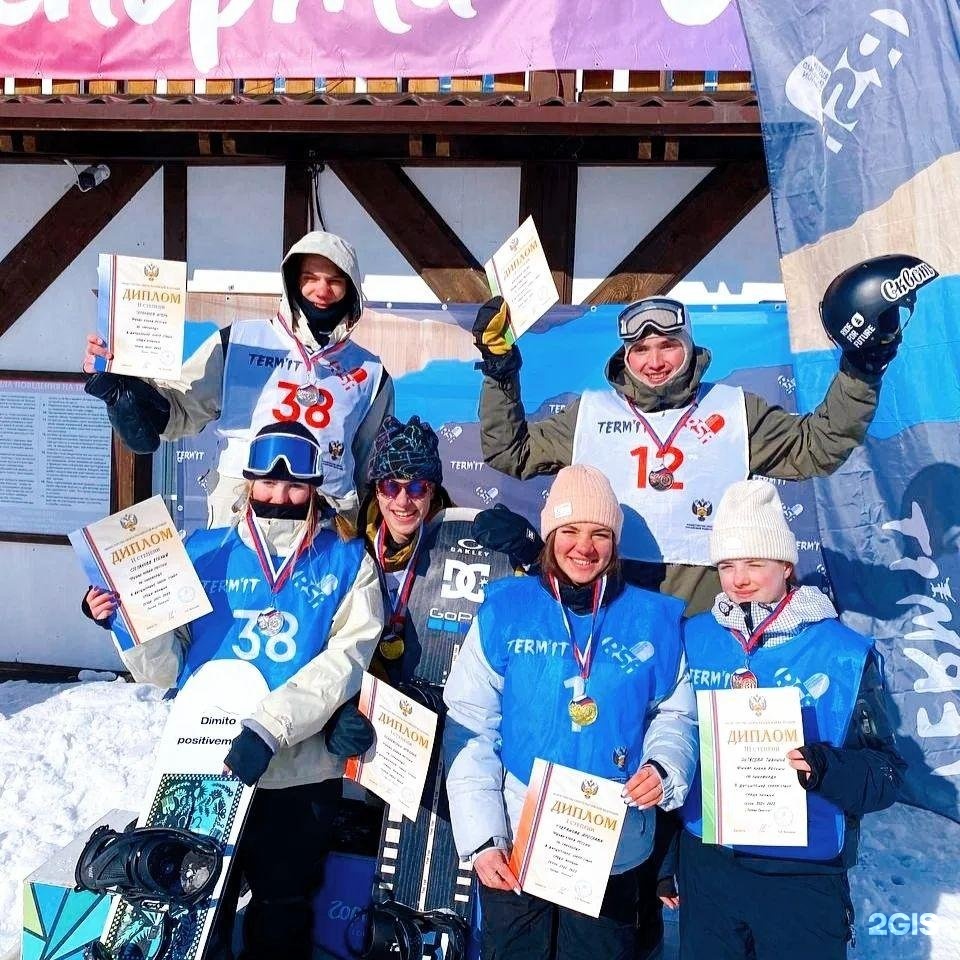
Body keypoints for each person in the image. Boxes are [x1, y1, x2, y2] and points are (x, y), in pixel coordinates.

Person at [83, 422, 384, 960]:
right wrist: (127, 620)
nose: (280, 495)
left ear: (314, 486)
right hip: (206, 762)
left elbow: (347, 659)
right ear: (247, 482)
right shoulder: (200, 551)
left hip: (298, 768)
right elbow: (163, 670)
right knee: (198, 908)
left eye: (295, 485)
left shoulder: (346, 557)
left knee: (283, 906)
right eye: (267, 483)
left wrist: (271, 726)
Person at [471, 257, 919, 616]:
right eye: (640, 349)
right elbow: (512, 451)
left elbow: (816, 447)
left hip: (710, 611)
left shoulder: (734, 410)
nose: (654, 360)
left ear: (688, 347)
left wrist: (862, 369)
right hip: (615, 608)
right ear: (625, 356)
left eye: (667, 344)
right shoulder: (589, 414)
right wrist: (500, 370)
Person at [442, 464, 698, 960]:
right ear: (549, 535)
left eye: (600, 533)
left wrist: (664, 767)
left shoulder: (655, 618)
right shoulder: (506, 607)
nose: (584, 547)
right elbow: (470, 725)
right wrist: (482, 839)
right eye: (570, 531)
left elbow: (675, 714)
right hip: (516, 841)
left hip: (610, 848)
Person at [675, 479, 905, 960]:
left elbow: (886, 775)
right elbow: (672, 742)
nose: (739, 578)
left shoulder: (844, 652)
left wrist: (825, 767)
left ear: (785, 565)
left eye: (755, 563)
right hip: (709, 867)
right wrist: (664, 859)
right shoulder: (692, 638)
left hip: (802, 875)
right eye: (727, 565)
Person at [83, 231, 393, 526]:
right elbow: (178, 412)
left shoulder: (370, 372)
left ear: (351, 288)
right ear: (292, 281)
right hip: (241, 522)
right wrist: (124, 377)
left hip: (326, 529)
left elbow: (372, 470)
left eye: (335, 280)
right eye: (309, 278)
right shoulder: (238, 341)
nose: (321, 290)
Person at [359, 415, 453, 679]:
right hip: (363, 684)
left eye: (416, 487)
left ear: (432, 491)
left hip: (430, 685)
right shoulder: (350, 541)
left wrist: (526, 551)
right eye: (390, 486)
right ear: (376, 491)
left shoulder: (458, 544)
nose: (402, 502)